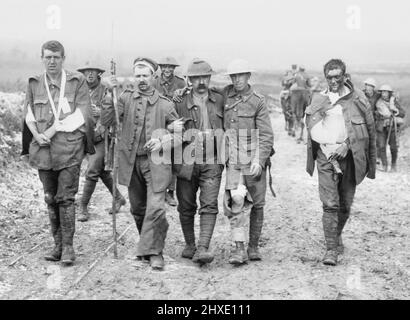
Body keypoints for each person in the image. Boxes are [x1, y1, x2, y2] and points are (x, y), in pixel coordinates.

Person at [100, 57, 182, 270]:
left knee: (155, 209)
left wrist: (163, 141)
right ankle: (149, 245)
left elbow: (180, 134)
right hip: (129, 162)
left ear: (153, 77)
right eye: (138, 76)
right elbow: (108, 121)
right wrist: (110, 94)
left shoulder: (165, 104)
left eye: (145, 76)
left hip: (157, 164)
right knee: (138, 209)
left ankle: (155, 252)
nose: (141, 80)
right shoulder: (124, 98)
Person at [22, 40, 95, 265]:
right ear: (42, 58)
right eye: (47, 57)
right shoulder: (34, 83)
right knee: (49, 198)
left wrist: (52, 131)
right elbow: (28, 113)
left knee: (66, 198)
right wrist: (36, 134)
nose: (51, 61)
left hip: (69, 149)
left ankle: (69, 248)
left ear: (63, 58)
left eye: (56, 57)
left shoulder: (76, 81)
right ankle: (57, 245)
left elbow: (82, 114)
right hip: (43, 151)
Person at [305, 58, 376, 266]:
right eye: (330, 77)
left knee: (345, 205)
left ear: (345, 76)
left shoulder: (357, 99)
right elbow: (310, 128)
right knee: (330, 204)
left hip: (350, 157)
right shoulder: (319, 99)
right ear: (326, 78)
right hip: (326, 157)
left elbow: (368, 130)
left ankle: (336, 236)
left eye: (337, 76)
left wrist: (347, 144)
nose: (333, 81)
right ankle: (331, 250)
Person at [170, 58, 225, 264]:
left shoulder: (220, 98)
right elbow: (166, 118)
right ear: (189, 80)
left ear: (209, 78)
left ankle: (203, 247)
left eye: (205, 77)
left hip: (212, 159)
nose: (201, 81)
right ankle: (190, 244)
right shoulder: (178, 101)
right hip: (186, 160)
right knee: (185, 205)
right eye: (196, 78)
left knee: (209, 204)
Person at [221, 59, 274, 265]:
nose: (237, 79)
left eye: (240, 75)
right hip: (233, 159)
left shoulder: (258, 101)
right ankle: (239, 248)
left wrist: (260, 160)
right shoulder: (225, 96)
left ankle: (253, 246)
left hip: (253, 159)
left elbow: (266, 135)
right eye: (233, 76)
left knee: (258, 204)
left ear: (248, 76)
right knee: (236, 202)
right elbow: (205, 93)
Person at [76, 63, 126, 222]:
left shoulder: (107, 89)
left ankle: (83, 207)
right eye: (86, 72)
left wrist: (103, 111)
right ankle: (118, 198)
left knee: (92, 170)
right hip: (83, 135)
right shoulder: (79, 90)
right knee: (101, 171)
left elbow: (117, 111)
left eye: (93, 72)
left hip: (101, 136)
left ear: (98, 74)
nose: (89, 74)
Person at [153, 57, 186, 207]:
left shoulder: (180, 83)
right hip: (158, 123)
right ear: (160, 68)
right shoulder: (153, 82)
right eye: (164, 67)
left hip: (175, 122)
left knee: (174, 158)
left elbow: (186, 100)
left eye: (170, 67)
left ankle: (171, 192)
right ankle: (159, 190)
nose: (167, 70)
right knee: (159, 157)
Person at [375, 84, 406, 172]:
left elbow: (403, 113)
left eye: (385, 92)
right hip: (381, 127)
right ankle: (384, 166)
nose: (383, 94)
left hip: (392, 127)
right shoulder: (378, 103)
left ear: (389, 93)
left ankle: (393, 165)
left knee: (393, 147)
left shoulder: (394, 102)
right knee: (381, 146)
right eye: (382, 92)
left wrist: (395, 111)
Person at [290, 65, 311, 143]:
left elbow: (293, 83)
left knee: (290, 96)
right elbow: (309, 85)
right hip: (305, 93)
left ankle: (289, 106)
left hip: (296, 92)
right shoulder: (307, 75)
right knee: (306, 112)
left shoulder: (296, 75)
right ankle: (302, 134)